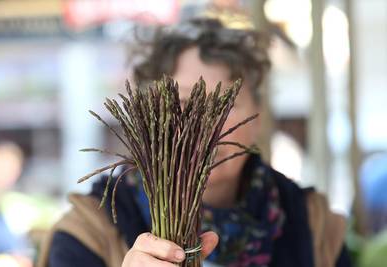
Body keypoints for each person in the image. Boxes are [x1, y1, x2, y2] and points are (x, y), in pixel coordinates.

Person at [37, 17, 351, 267]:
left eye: (224, 104)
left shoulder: (315, 226)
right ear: (149, 118)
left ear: (259, 115)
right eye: (185, 102)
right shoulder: (88, 232)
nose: (205, 126)